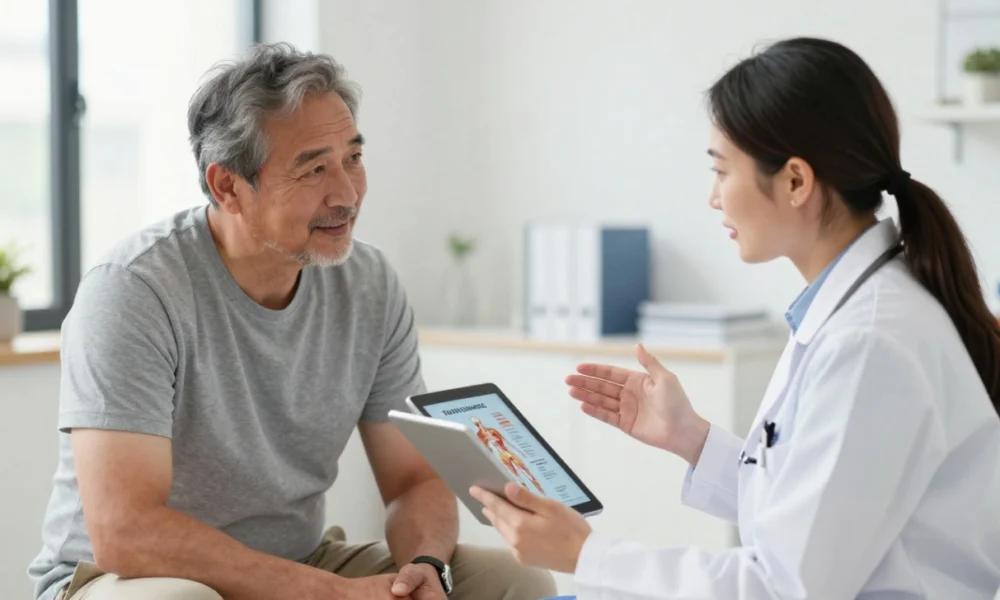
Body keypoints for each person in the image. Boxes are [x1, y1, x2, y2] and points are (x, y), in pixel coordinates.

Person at [471, 37, 1000, 599]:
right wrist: (692, 439)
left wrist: (587, 554)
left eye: (722, 171)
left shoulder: (871, 341)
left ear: (796, 181)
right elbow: (810, 512)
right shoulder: (860, 311)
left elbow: (785, 587)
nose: (712, 197)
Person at [27, 43, 556, 600]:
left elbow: (414, 478)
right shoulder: (134, 290)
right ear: (228, 185)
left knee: (515, 582)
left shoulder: (369, 285)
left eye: (352, 158)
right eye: (313, 170)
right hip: (127, 578)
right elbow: (125, 531)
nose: (348, 194)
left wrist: (425, 566)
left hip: (299, 559)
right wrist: (329, 594)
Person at [471, 417, 546, 496]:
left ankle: (542, 493)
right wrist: (488, 441)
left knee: (527, 473)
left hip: (507, 452)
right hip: (500, 456)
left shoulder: (492, 430)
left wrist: (519, 452)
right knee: (517, 477)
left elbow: (506, 441)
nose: (480, 425)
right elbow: (486, 449)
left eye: (479, 423)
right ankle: (528, 495)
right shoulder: (479, 435)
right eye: (477, 424)